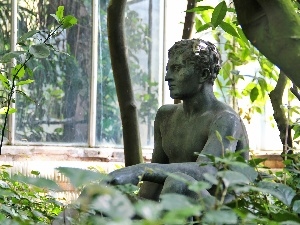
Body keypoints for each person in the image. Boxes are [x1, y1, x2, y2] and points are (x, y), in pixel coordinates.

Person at [109, 38, 249, 201]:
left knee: (178, 183)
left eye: (176, 69)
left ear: (203, 74)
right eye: (168, 69)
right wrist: (138, 207)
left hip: (217, 211)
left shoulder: (225, 119)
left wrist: (140, 170)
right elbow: (152, 186)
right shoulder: (166, 116)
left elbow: (206, 172)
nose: (168, 77)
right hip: (171, 206)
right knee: (99, 194)